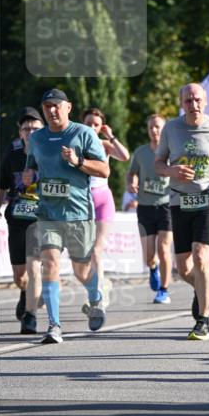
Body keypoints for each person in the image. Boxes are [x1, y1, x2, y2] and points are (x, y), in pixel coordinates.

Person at [23, 88, 110, 344]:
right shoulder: (37, 139)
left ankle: (96, 297)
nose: (51, 110)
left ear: (68, 107)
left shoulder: (82, 133)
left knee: (81, 270)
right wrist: (30, 176)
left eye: (56, 106)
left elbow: (104, 170)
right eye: (47, 106)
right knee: (49, 264)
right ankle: (54, 325)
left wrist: (78, 161)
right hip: (48, 213)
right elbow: (31, 167)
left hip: (78, 213)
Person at [154, 83, 209, 340]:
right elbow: (158, 163)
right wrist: (171, 171)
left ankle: (204, 320)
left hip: (208, 198)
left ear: (206, 101)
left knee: (201, 257)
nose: (194, 105)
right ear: (182, 103)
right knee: (184, 267)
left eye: (198, 100)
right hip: (180, 199)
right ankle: (201, 290)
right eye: (188, 100)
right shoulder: (171, 128)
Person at [0, 107, 44, 333]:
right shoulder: (12, 151)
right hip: (16, 217)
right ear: (20, 131)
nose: (31, 132)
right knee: (19, 275)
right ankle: (26, 293)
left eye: (35, 128)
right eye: (26, 129)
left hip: (41, 217)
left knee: (34, 265)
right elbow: (1, 183)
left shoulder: (50, 149)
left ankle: (30, 316)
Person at [80, 107, 130, 311]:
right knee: (82, 255)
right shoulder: (74, 145)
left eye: (96, 125)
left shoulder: (103, 144)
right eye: (88, 123)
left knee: (96, 250)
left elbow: (124, 156)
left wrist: (111, 136)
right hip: (81, 202)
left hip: (102, 200)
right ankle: (102, 286)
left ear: (101, 128)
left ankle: (97, 297)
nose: (91, 127)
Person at [128, 114, 172, 304]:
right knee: (149, 255)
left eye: (158, 127)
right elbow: (132, 173)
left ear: (164, 129)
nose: (154, 131)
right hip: (145, 206)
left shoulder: (172, 151)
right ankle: (153, 268)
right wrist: (132, 183)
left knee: (164, 248)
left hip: (166, 205)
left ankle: (164, 289)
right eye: (151, 128)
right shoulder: (140, 152)